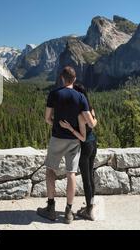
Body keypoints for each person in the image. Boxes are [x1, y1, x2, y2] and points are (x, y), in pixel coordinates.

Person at [37, 66, 97, 224]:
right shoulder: (80, 97)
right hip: (74, 141)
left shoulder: (54, 94)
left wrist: (56, 125)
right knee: (71, 173)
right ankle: (69, 212)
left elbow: (47, 118)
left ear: (62, 78)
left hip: (57, 138)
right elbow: (89, 121)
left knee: (50, 170)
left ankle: (50, 208)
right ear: (74, 79)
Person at [59, 83, 98, 221]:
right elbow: (94, 123)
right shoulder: (90, 108)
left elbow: (82, 137)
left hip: (86, 147)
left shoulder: (81, 115)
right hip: (94, 144)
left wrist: (70, 128)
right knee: (91, 176)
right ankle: (90, 205)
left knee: (86, 179)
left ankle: (88, 211)